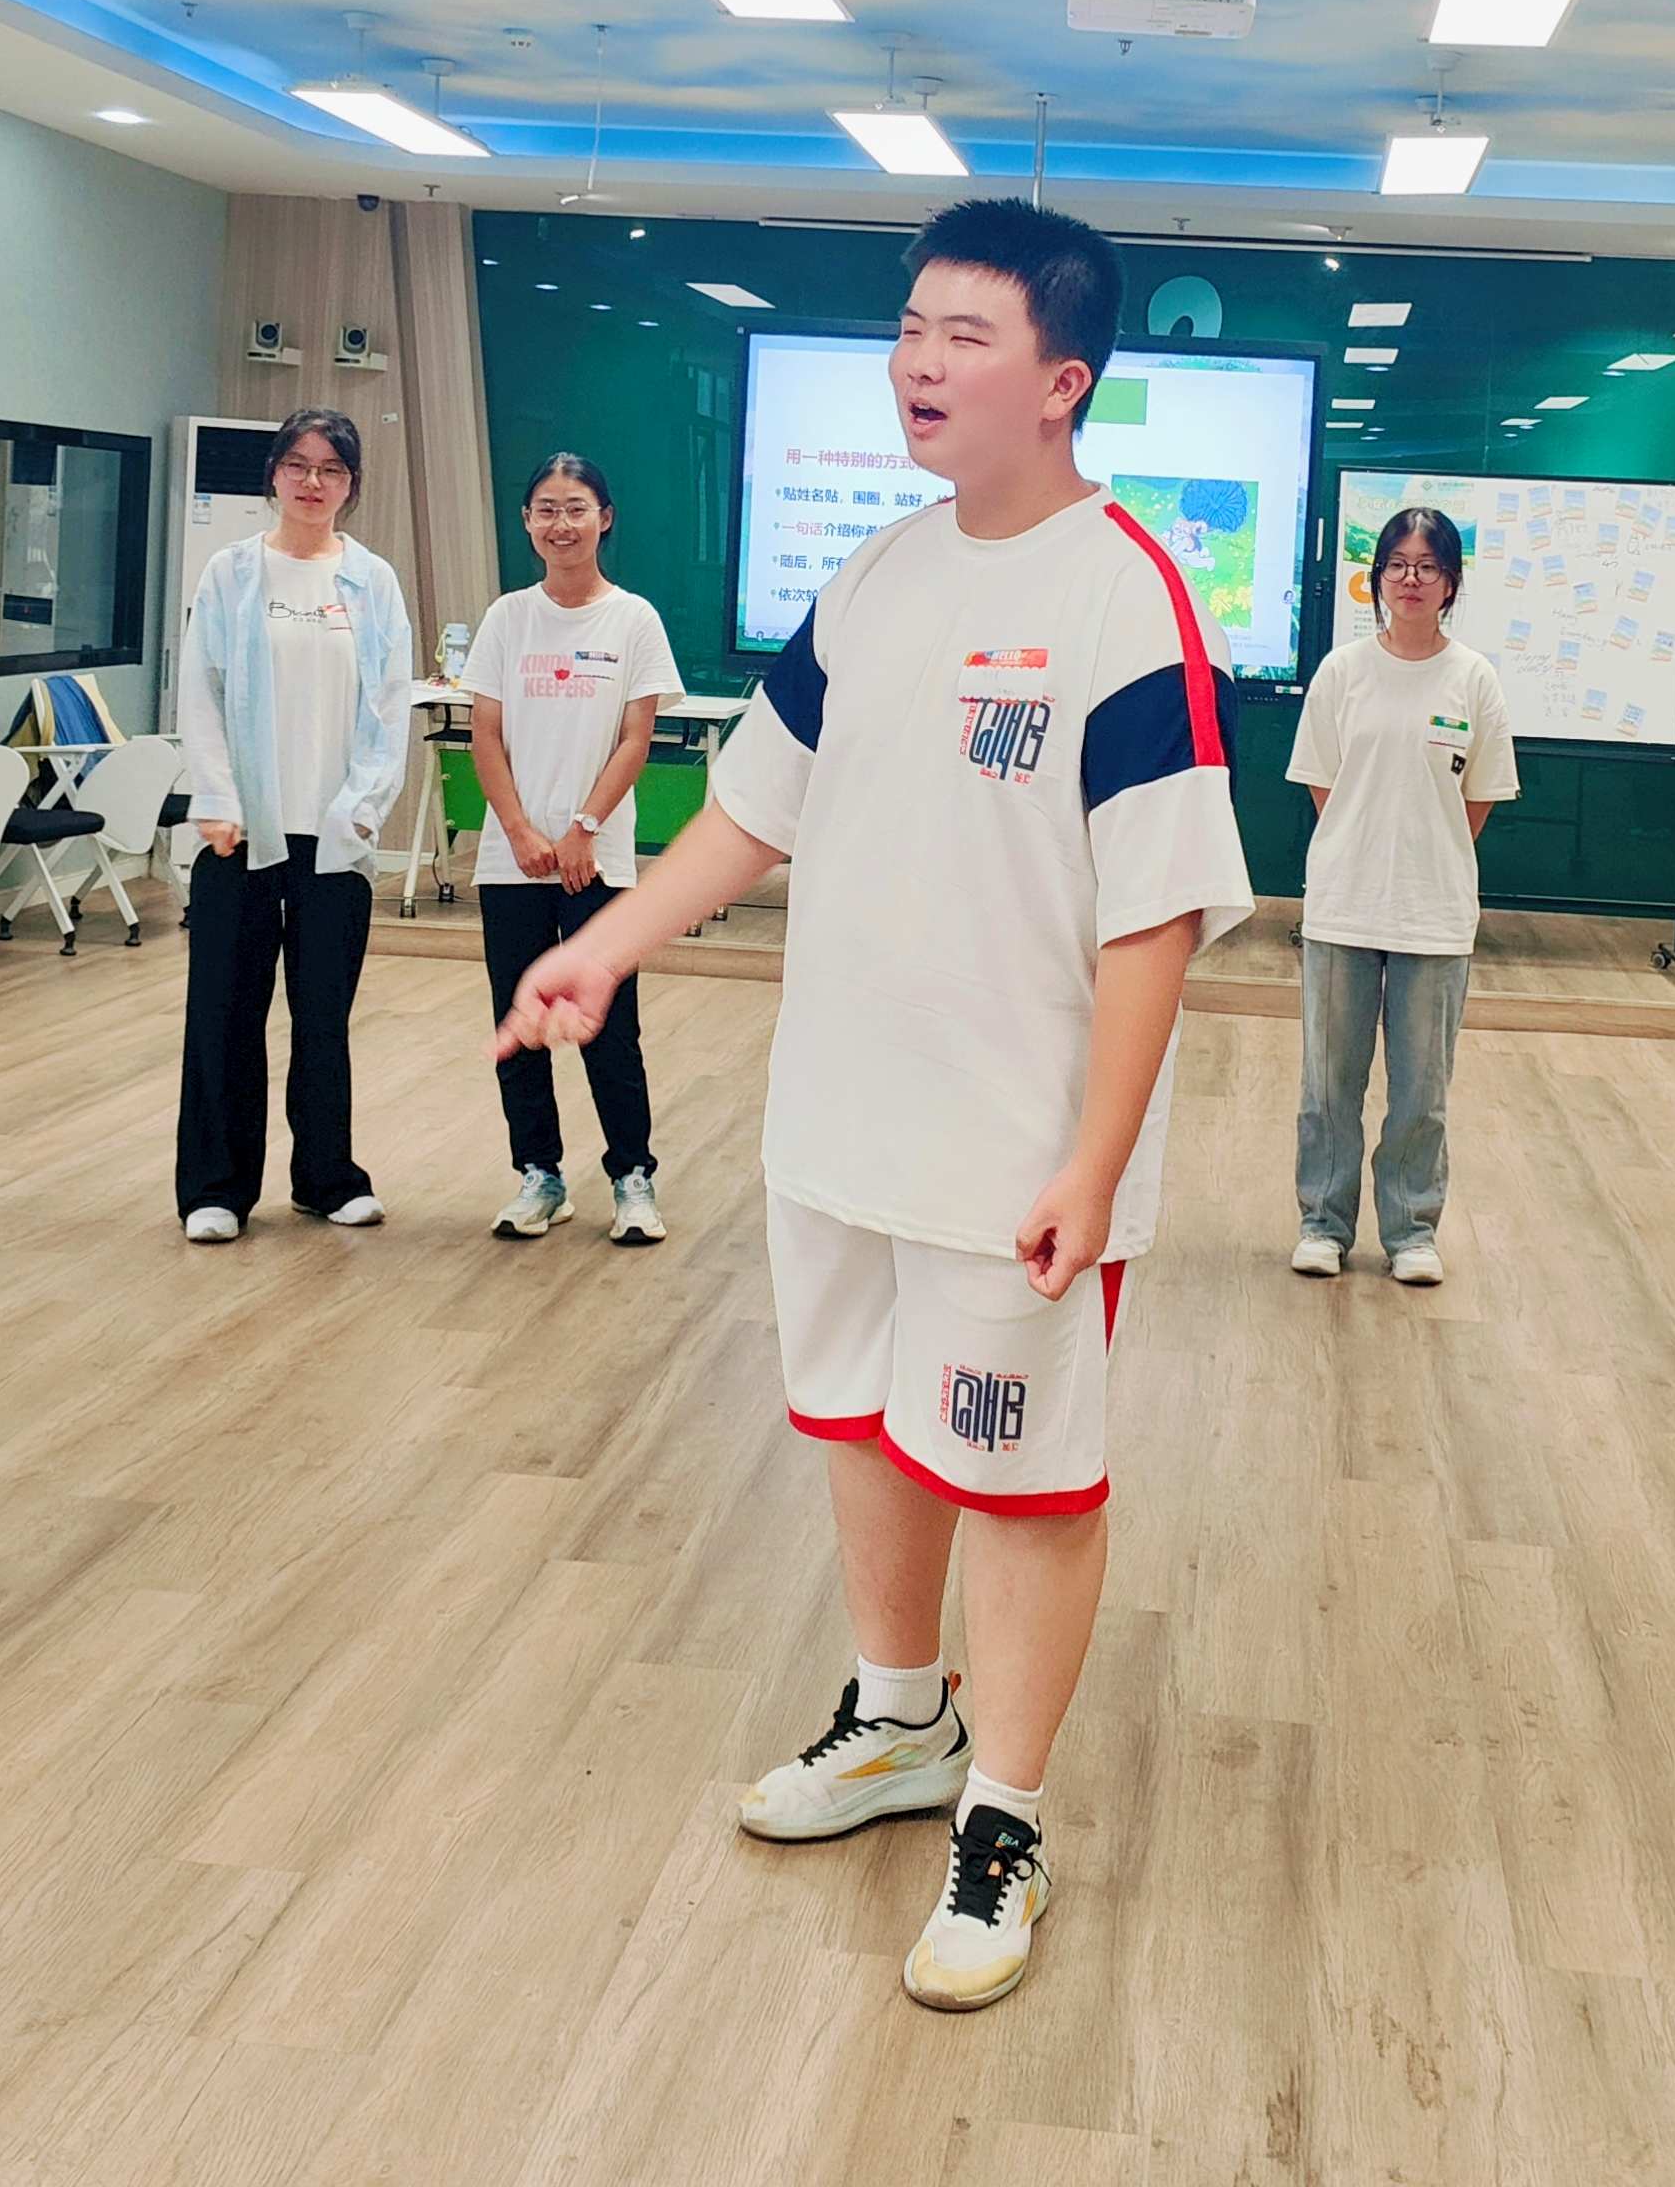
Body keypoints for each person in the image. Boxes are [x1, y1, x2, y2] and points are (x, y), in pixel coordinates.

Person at [491, 196, 1251, 2015]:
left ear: (1063, 381)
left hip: (1015, 1161)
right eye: (910, 328)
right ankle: (903, 1719)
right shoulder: (875, 579)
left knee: (1024, 1480)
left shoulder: (1126, 597)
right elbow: (754, 811)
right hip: (840, 1125)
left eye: (965, 336)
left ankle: (1008, 1813)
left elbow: (1157, 916)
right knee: (856, 1428)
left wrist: (1093, 1160)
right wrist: (605, 946)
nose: (918, 362)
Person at [173, 406, 411, 1245]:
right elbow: (200, 691)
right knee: (224, 1014)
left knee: (323, 1016)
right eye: (299, 465)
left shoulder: (372, 580)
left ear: (352, 485)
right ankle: (216, 1189)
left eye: (332, 469)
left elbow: (390, 704)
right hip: (241, 831)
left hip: (335, 833)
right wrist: (218, 798)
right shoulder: (232, 573)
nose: (314, 482)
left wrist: (364, 805)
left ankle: (327, 1178)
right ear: (273, 474)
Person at [1284, 504, 1517, 1286]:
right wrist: (1367, 846)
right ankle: (1323, 1224)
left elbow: (1476, 800)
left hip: (1435, 911)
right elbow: (1326, 786)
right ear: (1377, 578)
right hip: (1343, 903)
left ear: (1451, 582)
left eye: (1427, 566)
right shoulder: (1342, 671)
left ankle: (1412, 1231)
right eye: (1396, 565)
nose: (1410, 579)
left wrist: (1422, 853)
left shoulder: (1474, 677)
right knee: (1328, 1085)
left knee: (1422, 1092)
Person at [459, 451, 684, 1246]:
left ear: (604, 518)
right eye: (547, 509)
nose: (562, 524)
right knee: (518, 1022)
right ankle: (539, 1175)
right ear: (527, 521)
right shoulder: (507, 618)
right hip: (512, 859)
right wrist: (521, 830)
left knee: (609, 1026)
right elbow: (485, 735)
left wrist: (582, 828)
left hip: (598, 857)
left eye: (577, 508)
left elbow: (635, 739)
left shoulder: (634, 619)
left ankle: (632, 1177)